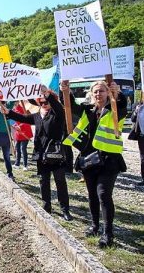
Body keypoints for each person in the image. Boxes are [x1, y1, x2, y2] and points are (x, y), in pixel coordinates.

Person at [61, 80, 127, 248]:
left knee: (103, 194)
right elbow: (70, 106)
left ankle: (108, 233)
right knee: (92, 195)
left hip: (109, 161)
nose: (98, 94)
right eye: (95, 91)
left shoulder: (115, 108)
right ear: (92, 94)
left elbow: (122, 104)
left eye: (102, 91)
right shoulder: (87, 109)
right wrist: (66, 91)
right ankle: (95, 226)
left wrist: (117, 93)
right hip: (89, 159)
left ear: (107, 93)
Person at [0, 86, 73, 222]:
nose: (44, 105)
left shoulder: (58, 114)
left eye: (46, 102)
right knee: (43, 181)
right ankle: (46, 206)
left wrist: (48, 94)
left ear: (52, 101)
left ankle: (65, 210)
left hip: (55, 153)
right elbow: (23, 118)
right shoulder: (37, 115)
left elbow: (57, 107)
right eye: (41, 102)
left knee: (60, 182)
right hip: (41, 154)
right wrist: (8, 112)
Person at [11, 101, 33, 171]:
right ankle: (17, 164)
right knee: (17, 148)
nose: (15, 103)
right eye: (14, 102)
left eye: (16, 102)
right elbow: (13, 121)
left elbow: (26, 120)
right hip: (18, 132)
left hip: (25, 132)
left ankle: (25, 165)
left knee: (23, 149)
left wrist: (20, 126)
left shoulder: (23, 109)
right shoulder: (14, 110)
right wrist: (15, 125)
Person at [128, 98, 144, 186]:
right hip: (142, 136)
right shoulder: (138, 105)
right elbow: (133, 119)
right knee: (143, 158)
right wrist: (136, 111)